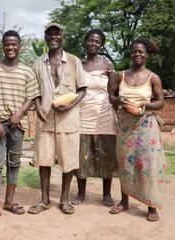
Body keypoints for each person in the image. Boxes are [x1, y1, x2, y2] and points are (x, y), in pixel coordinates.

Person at [0, 30, 41, 221]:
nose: (11, 47)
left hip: (17, 126)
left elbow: (31, 97)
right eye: (7, 44)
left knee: (13, 164)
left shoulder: (27, 71)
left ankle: (9, 201)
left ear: (19, 47)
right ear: (3, 46)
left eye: (14, 44)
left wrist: (19, 114)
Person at [29, 23, 87, 215]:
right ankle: (44, 199)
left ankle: (64, 199)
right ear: (45, 37)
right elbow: (33, 90)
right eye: (49, 34)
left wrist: (70, 105)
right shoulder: (38, 63)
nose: (53, 37)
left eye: (57, 33)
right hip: (45, 118)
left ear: (62, 36)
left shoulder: (73, 61)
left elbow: (82, 89)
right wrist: (37, 107)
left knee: (68, 160)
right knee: (44, 160)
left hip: (68, 120)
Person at [108, 37, 166, 221]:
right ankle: (124, 202)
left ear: (147, 55)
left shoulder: (153, 77)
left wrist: (145, 105)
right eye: (134, 51)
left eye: (141, 51)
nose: (137, 54)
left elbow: (160, 102)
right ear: (130, 53)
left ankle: (152, 206)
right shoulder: (121, 75)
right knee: (125, 164)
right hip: (125, 127)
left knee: (148, 165)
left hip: (146, 127)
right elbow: (111, 96)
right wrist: (119, 101)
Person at [72, 29, 117, 206]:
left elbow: (113, 92)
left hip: (104, 116)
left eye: (97, 41)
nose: (93, 44)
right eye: (90, 40)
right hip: (82, 116)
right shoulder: (78, 64)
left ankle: (106, 194)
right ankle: (81, 193)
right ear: (85, 42)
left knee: (107, 155)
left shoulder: (108, 64)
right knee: (82, 155)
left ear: (101, 45)